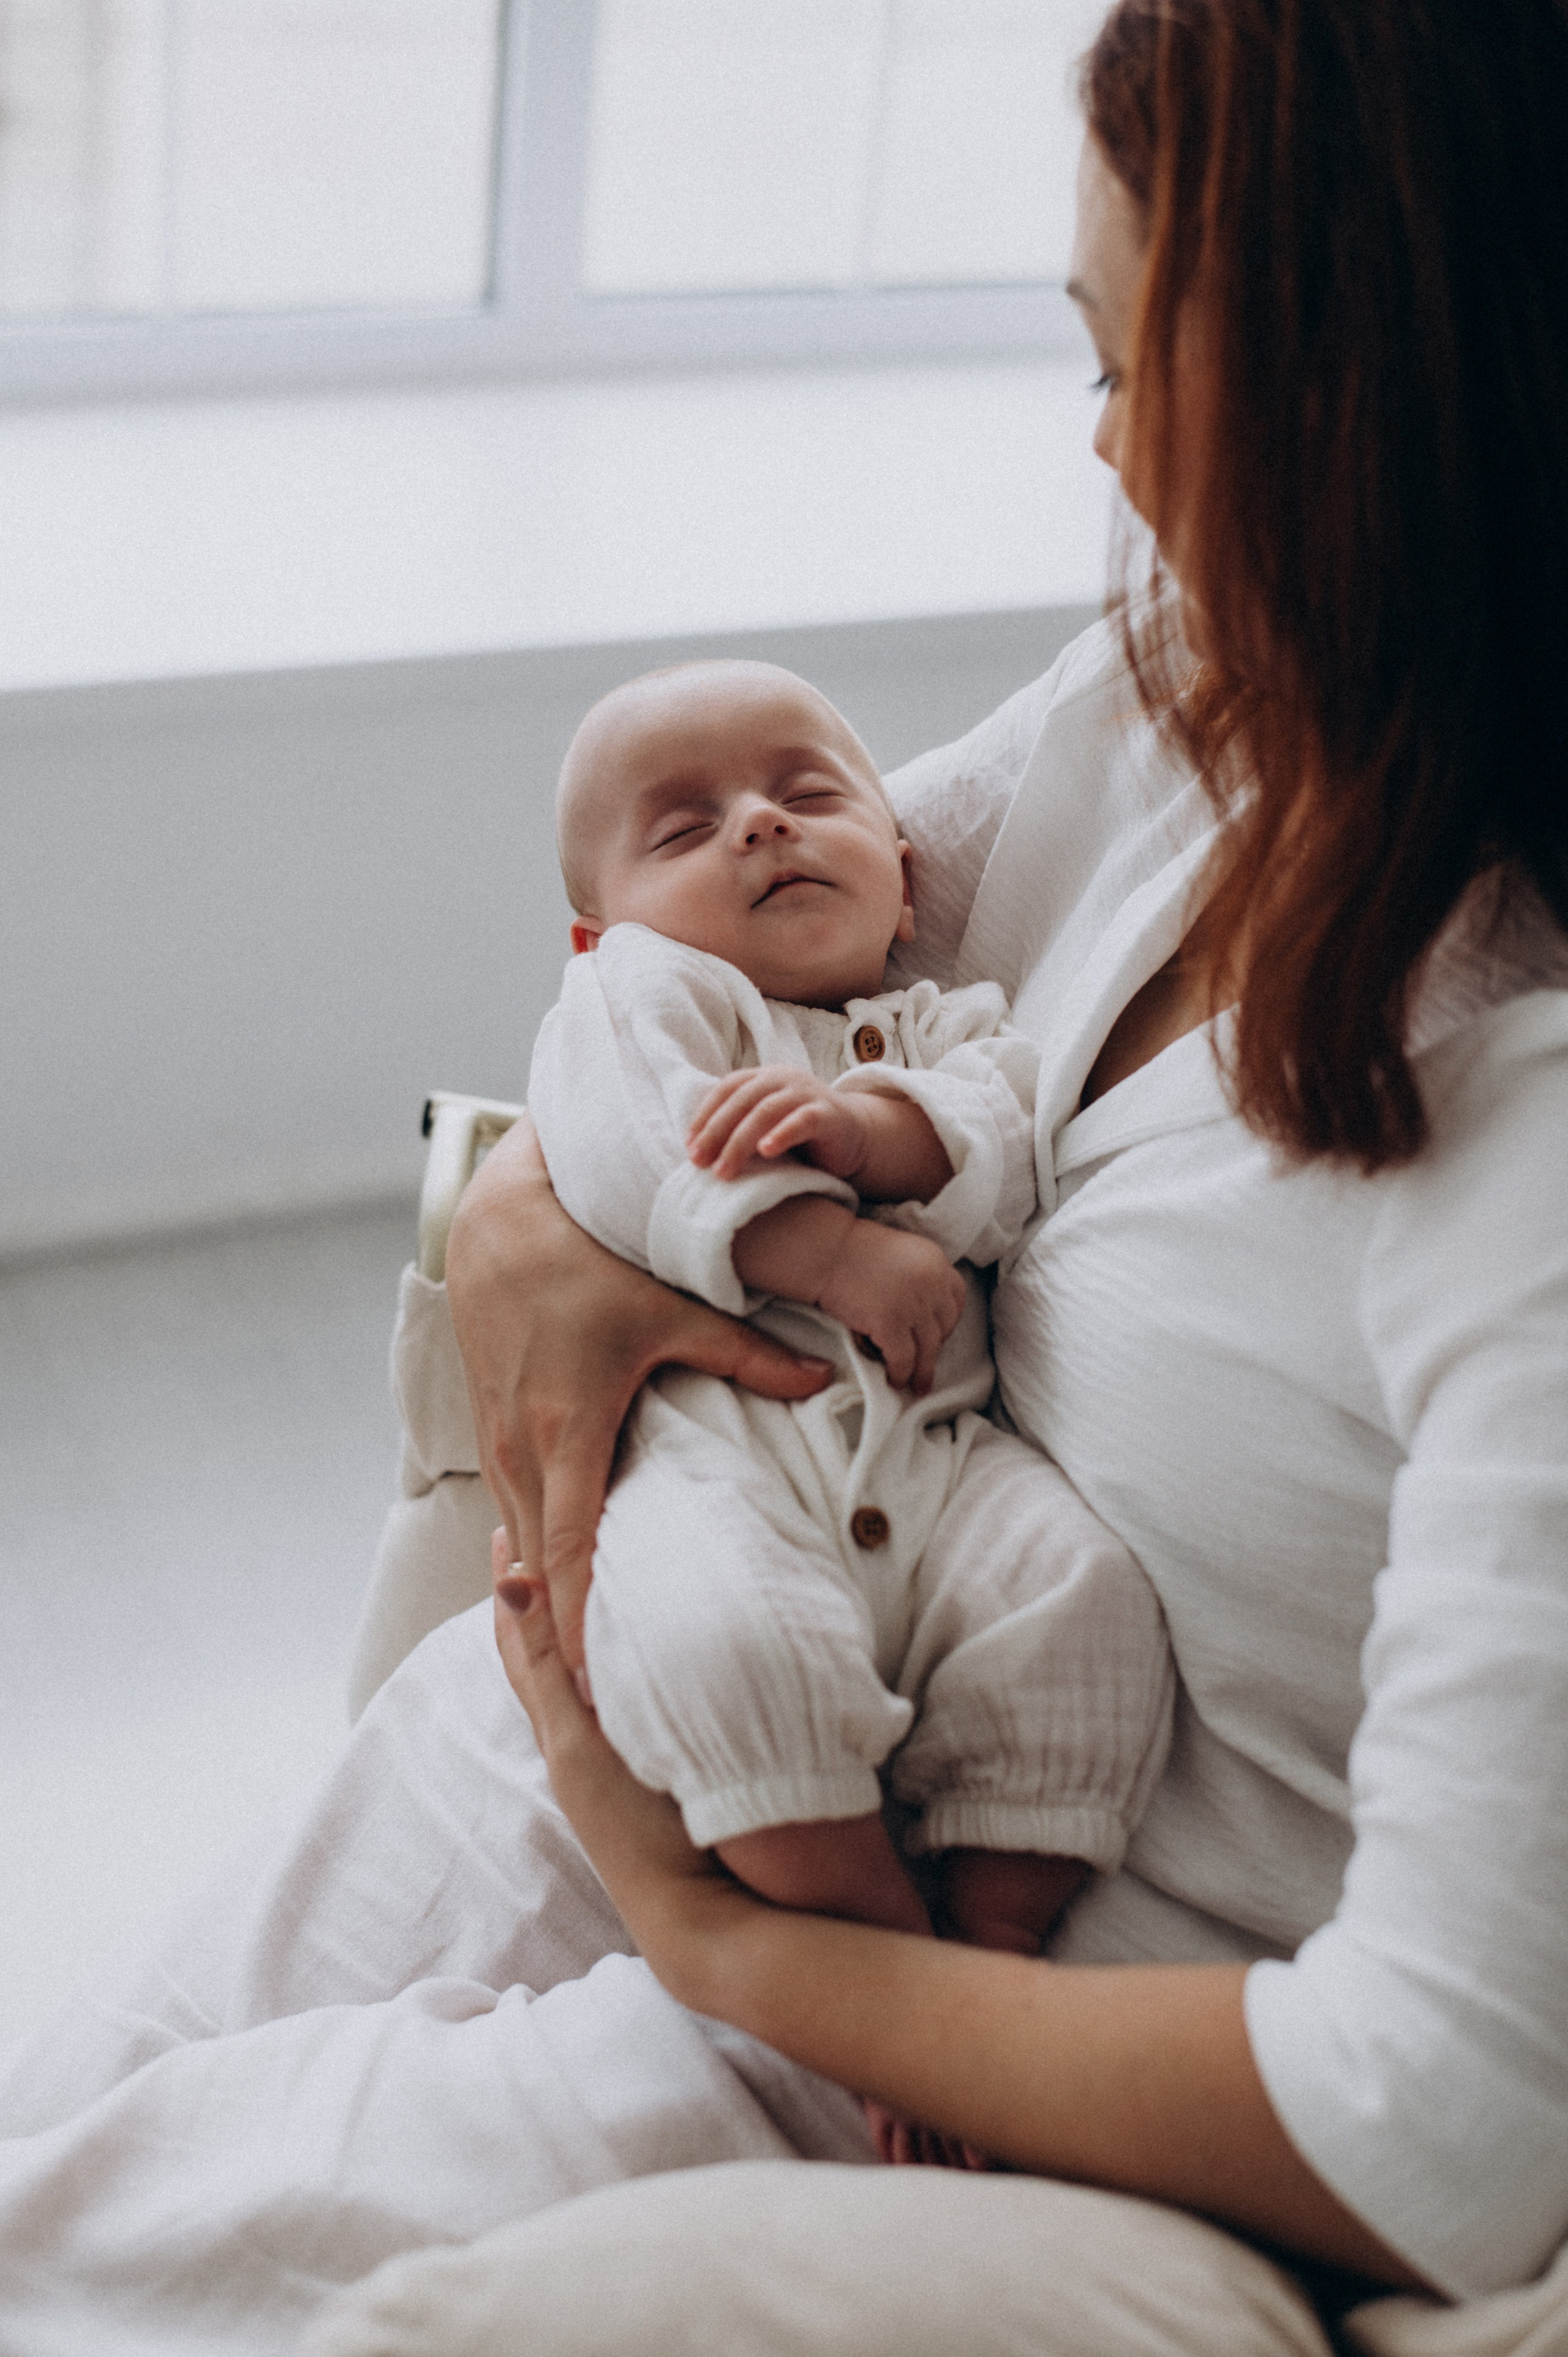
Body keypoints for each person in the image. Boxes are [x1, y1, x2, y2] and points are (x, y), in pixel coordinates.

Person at [1, 2, 1565, 2349]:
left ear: (1377, 413)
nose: (1108, 454)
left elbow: (1434, 2122)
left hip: (965, 2019)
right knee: (53, 2145)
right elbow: (706, 941)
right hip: (714, 1679)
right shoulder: (1207, 694)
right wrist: (528, 1217)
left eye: (1139, 366)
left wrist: (743, 1946)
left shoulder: (1525, 1126)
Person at [532, 657, 1172, 1959]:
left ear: (905, 877)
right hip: (721, 1463)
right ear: (600, 937)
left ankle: (996, 1921)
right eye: (684, 828)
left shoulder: (949, 1023)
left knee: (1083, 1596)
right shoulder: (643, 1000)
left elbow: (1005, 1140)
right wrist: (822, 1251)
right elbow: (626, 1141)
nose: (760, 824)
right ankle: (860, 1922)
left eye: (807, 794)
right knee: (720, 1639)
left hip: (940, 1464)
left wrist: (873, 1130)